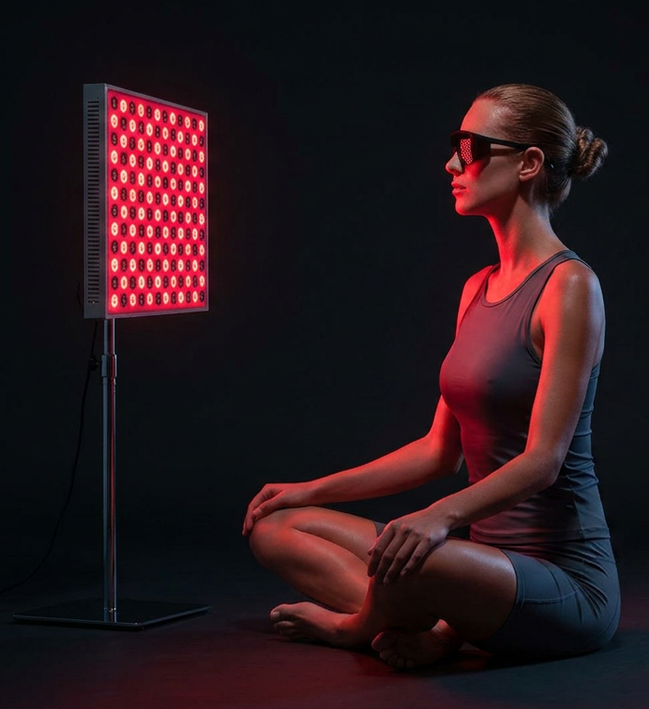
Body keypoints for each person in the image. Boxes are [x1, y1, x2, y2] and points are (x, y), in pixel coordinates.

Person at [243, 83, 618, 669]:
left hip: (563, 584)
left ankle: (360, 627)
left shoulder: (570, 287)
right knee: (279, 525)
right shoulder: (477, 288)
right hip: (476, 562)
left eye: (468, 148)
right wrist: (310, 489)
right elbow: (439, 452)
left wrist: (437, 517)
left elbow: (544, 461)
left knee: (415, 556)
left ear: (528, 163)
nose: (451, 164)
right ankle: (436, 623)